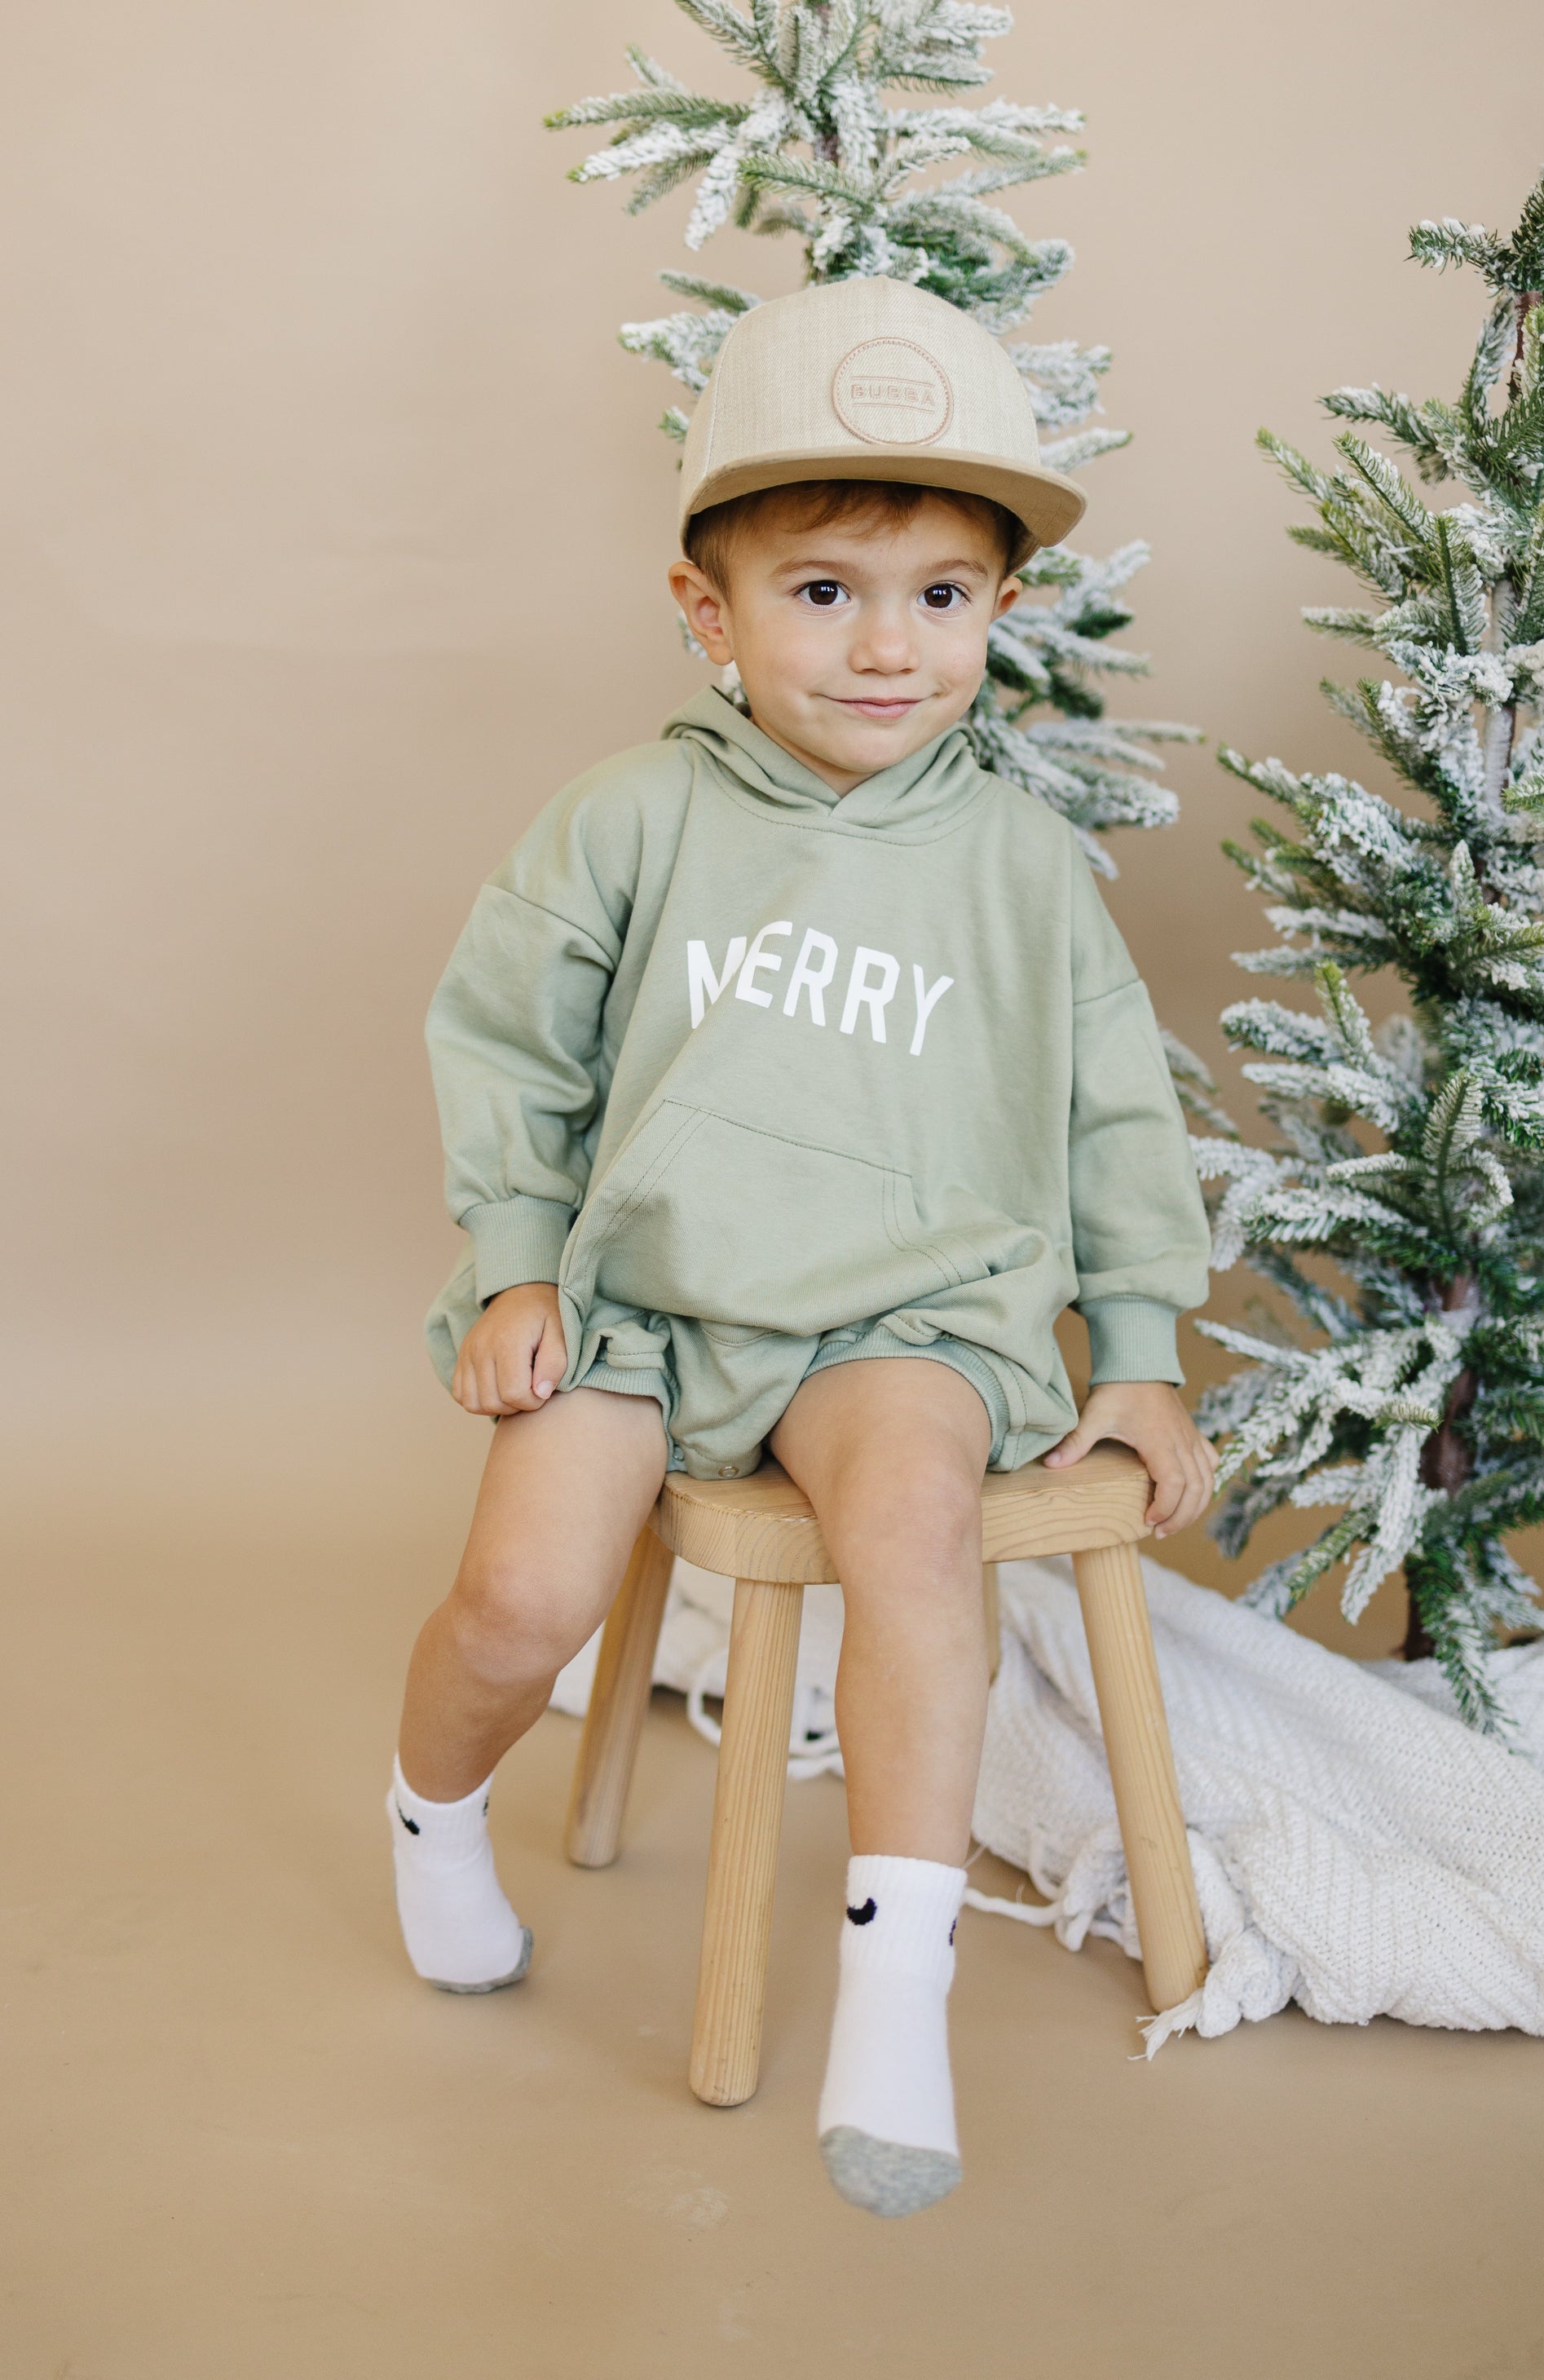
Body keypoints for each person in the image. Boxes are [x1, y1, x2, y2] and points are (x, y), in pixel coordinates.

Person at [389, 276, 1213, 2218]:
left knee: (914, 1528)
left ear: (1001, 606)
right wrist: (518, 1260)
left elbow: (1113, 1113)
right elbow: (509, 1044)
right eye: (824, 589)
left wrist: (1141, 1345)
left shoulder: (1018, 863)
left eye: (940, 594)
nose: (885, 643)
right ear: (709, 608)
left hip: (900, 1308)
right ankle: (430, 1815)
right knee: (517, 1598)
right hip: (642, 1297)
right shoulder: (629, 816)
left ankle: (895, 1991)